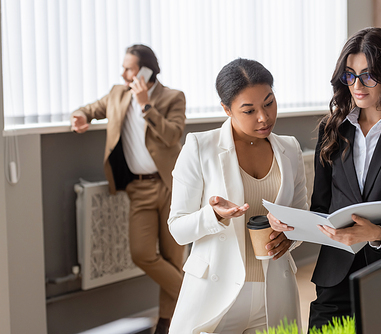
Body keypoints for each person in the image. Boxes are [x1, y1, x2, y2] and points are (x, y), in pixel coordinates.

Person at [268, 27, 381, 330]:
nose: (357, 85)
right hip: (334, 276)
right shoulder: (333, 129)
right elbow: (322, 207)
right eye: (350, 75)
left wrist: (374, 233)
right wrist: (293, 226)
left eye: (368, 75)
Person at [167, 58, 308, 334]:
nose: (263, 117)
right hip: (215, 296)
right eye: (249, 110)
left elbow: (302, 217)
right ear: (226, 109)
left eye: (269, 103)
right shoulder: (199, 147)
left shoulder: (290, 149)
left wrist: (290, 236)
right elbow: (177, 229)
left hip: (275, 294)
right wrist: (213, 217)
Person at [71, 44, 186, 334]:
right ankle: (195, 294)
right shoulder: (116, 94)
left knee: (174, 258)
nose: (123, 73)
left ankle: (166, 323)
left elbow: (173, 136)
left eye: (129, 68)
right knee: (142, 253)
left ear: (146, 70)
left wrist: (146, 105)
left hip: (173, 186)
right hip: (139, 189)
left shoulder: (172, 97)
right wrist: (81, 116)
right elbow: (90, 109)